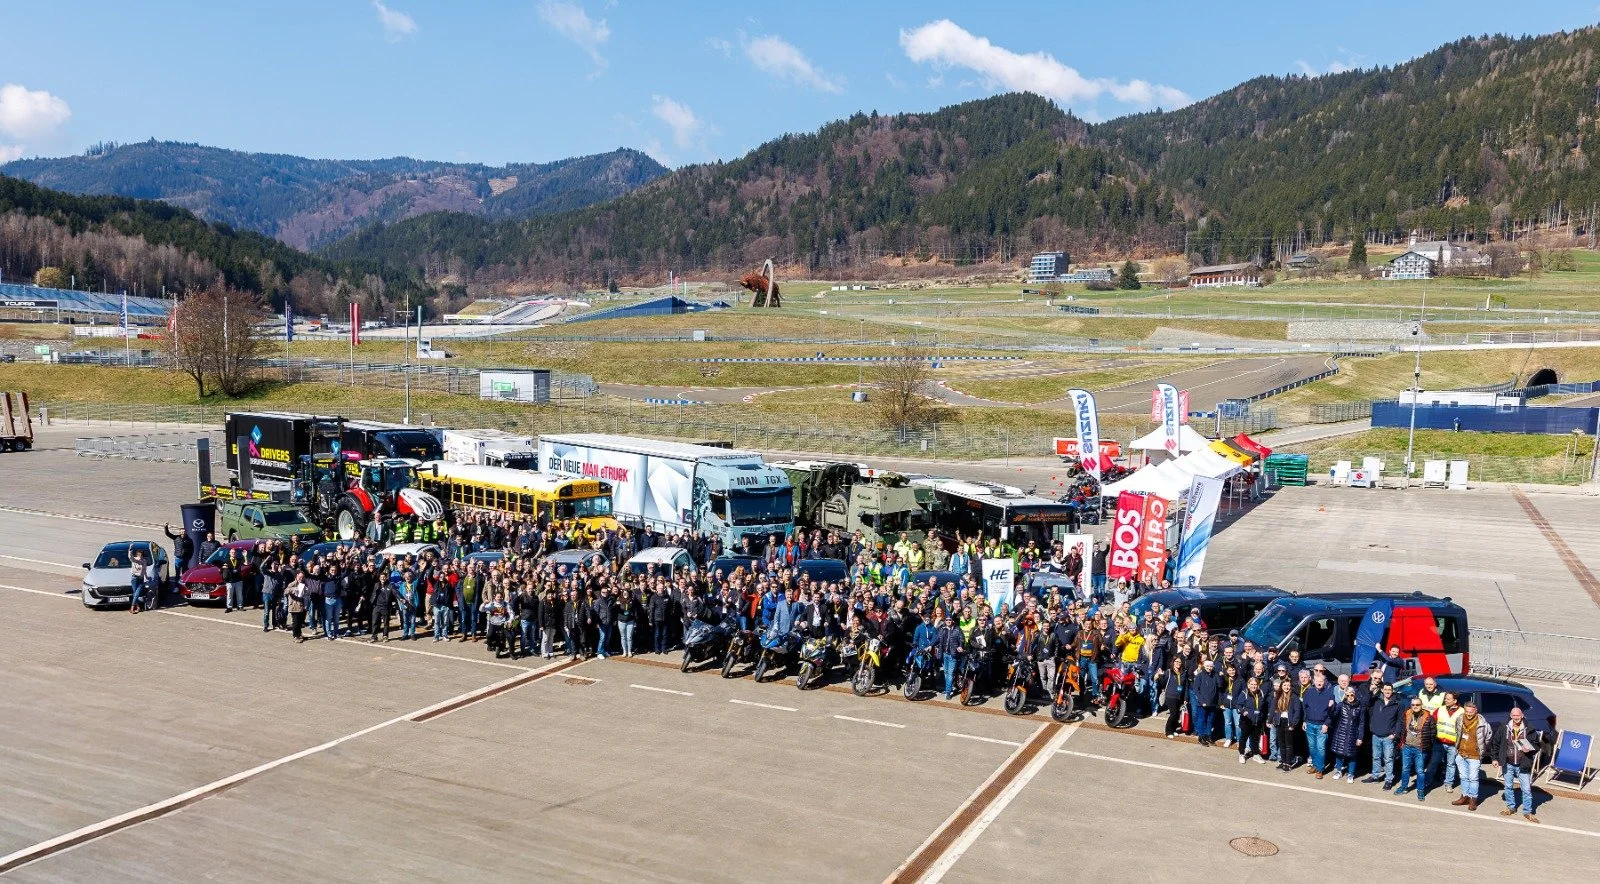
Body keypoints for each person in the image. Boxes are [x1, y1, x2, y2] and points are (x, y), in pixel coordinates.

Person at [1492, 705, 1547, 823]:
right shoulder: (1504, 727)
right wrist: (1495, 759)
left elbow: (1537, 745)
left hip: (1523, 763)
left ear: (1522, 715)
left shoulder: (1529, 728)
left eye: (1518, 715)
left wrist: (1530, 749)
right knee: (1508, 787)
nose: (1516, 717)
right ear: (1510, 716)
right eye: (1514, 715)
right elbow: (1496, 743)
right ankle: (1511, 808)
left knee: (1526, 789)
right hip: (1508, 762)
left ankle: (1527, 812)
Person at [1450, 698, 1491, 812]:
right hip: (1461, 754)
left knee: (1473, 778)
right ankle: (1464, 796)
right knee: (1463, 777)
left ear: (1476, 711)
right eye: (1467, 711)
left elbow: (1488, 737)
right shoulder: (1459, 719)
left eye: (1471, 712)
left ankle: (1473, 799)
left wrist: (1480, 749)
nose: (1468, 714)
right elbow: (1457, 732)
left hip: (1474, 756)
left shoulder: (1482, 723)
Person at [1394, 696, 1436, 801]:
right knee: (1405, 769)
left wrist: (1427, 746)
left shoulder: (1428, 717)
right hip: (1407, 746)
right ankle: (1403, 787)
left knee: (1420, 771)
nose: (1415, 706)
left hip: (1420, 749)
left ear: (1421, 705)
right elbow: (1402, 728)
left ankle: (1420, 790)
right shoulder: (1407, 714)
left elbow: (1433, 733)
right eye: (1413, 705)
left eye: (1417, 705)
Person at [1364, 682, 1402, 789]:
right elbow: (1365, 702)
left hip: (1388, 737)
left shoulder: (1397, 703)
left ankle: (1388, 780)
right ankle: (1375, 776)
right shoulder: (1376, 700)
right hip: (1376, 735)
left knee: (1388, 759)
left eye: (1389, 689)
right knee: (1376, 757)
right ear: (1382, 690)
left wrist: (1395, 734)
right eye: (1385, 689)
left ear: (1392, 691)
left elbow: (1400, 721)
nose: (1387, 691)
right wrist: (1370, 691)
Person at [1301, 669, 1337, 778]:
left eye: (1321, 681)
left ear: (1324, 682)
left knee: (1321, 748)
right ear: (1313, 681)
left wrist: (1326, 724)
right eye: (1317, 681)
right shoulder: (1308, 692)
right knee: (1312, 747)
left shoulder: (1329, 694)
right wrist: (1304, 720)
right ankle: (1315, 765)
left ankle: (1320, 769)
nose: (1319, 683)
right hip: (1310, 724)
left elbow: (1332, 712)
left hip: (1322, 725)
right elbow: (1305, 708)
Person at [1329, 687, 1366, 782]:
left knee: (1352, 755)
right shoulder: (1341, 705)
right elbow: (1333, 716)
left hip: (1353, 734)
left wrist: (1360, 737)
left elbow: (1361, 723)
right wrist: (1331, 707)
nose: (1350, 696)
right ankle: (1338, 771)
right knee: (1339, 753)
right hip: (1340, 732)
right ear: (1345, 695)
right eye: (1348, 695)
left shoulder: (1360, 706)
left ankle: (1351, 774)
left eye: (1352, 694)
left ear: (1354, 694)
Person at [1270, 677, 1302, 770]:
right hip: (1279, 721)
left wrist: (1293, 724)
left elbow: (1297, 712)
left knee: (1288, 744)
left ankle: (1288, 763)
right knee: (1281, 743)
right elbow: (1272, 709)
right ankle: (1283, 761)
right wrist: (1269, 720)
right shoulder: (1278, 696)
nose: (1286, 687)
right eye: (1284, 685)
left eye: (1288, 685)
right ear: (1281, 686)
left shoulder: (1294, 697)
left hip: (1289, 722)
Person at [1235, 676, 1267, 763]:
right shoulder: (1244, 693)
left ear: (1258, 685)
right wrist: (1243, 711)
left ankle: (1256, 754)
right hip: (1247, 720)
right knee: (1244, 738)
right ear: (1248, 685)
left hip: (1257, 720)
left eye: (1255, 684)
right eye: (1252, 684)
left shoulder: (1261, 693)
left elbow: (1264, 706)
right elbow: (1238, 705)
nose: (1254, 686)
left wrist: (1263, 716)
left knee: (1255, 738)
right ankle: (1241, 754)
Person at [286, 570, 308, 642]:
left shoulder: (304, 584)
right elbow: (285, 591)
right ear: (297, 576)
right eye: (300, 577)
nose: (301, 578)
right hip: (294, 606)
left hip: (302, 606)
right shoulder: (292, 584)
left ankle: (299, 634)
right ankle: (295, 636)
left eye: (302, 577)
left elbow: (306, 595)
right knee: (295, 621)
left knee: (300, 621)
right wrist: (293, 589)